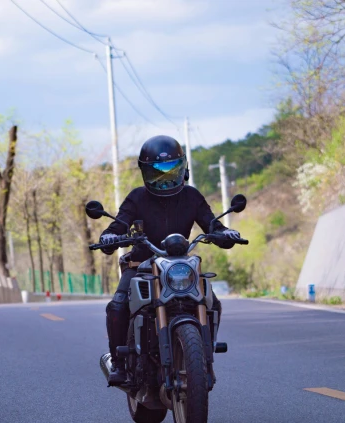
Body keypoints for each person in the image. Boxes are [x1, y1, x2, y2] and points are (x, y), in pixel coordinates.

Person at [99, 135, 241, 385]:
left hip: (179, 266)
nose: (164, 179)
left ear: (182, 168)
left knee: (212, 302)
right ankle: (120, 364)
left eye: (170, 171)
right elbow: (120, 223)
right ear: (145, 172)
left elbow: (211, 223)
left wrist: (225, 233)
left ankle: (203, 356)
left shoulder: (192, 197)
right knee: (118, 305)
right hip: (141, 267)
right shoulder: (137, 198)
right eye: (157, 172)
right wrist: (110, 236)